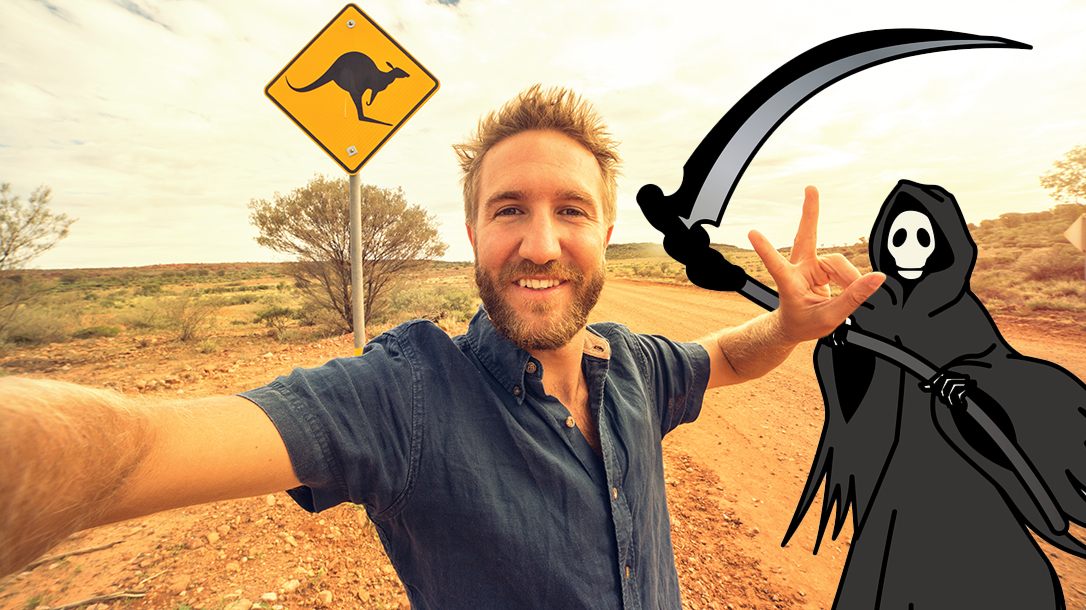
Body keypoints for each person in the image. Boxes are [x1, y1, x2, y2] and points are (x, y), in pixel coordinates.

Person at [0, 85, 884, 608]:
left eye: (571, 210)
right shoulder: (406, 396)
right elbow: (138, 453)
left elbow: (728, 357)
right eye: (510, 209)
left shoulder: (635, 366)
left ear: (607, 231)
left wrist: (789, 325)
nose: (540, 243)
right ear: (472, 233)